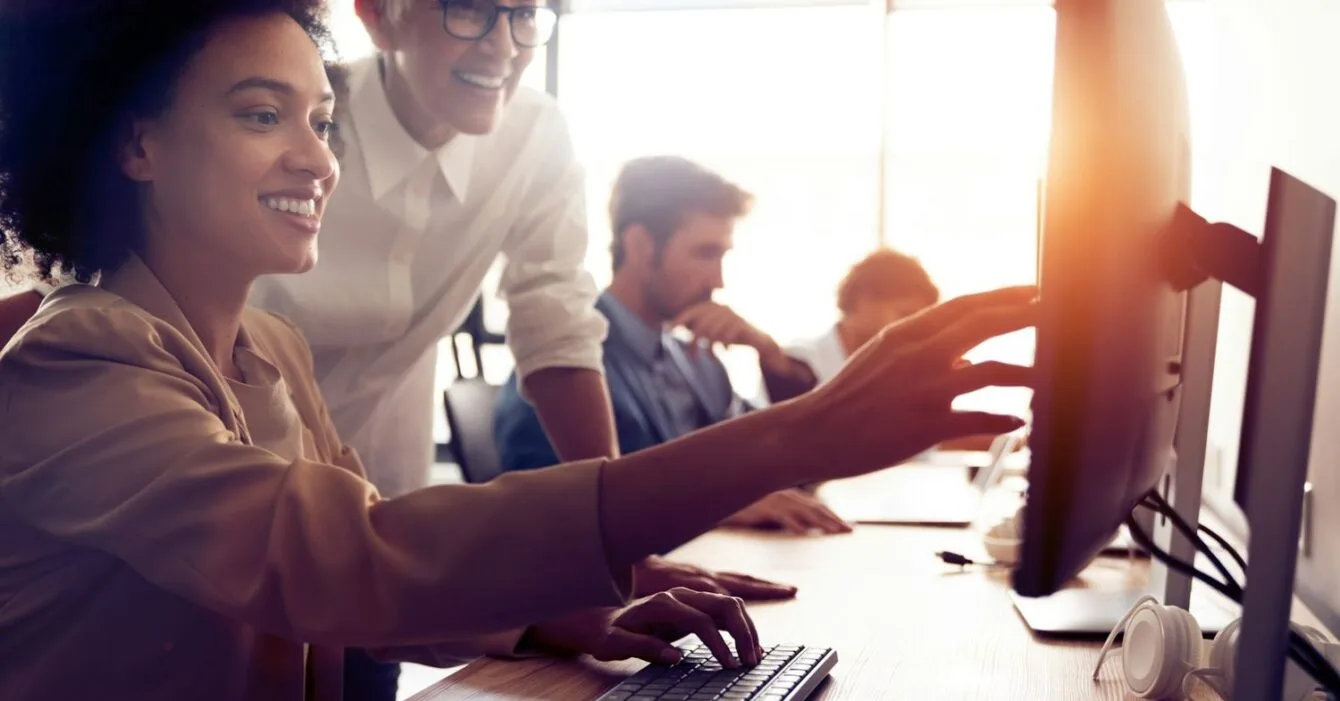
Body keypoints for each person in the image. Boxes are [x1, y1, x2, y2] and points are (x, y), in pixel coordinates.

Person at [0, 2, 1034, 699]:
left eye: (320, 119)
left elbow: (367, 579)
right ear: (133, 144)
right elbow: (351, 557)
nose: (318, 156)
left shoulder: (266, 348)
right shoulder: (76, 368)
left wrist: (555, 616)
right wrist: (796, 431)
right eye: (262, 115)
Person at [494, 156, 849, 534]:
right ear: (641, 245)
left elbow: (779, 456)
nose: (719, 281)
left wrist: (771, 356)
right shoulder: (563, 370)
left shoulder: (696, 360)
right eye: (705, 253)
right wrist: (717, 503)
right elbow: (556, 515)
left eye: (722, 256)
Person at [776, 248, 940, 400]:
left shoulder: (901, 375)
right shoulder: (799, 362)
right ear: (863, 301)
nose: (915, 329)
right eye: (906, 315)